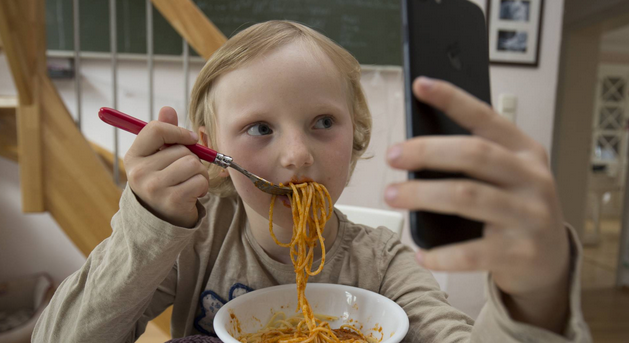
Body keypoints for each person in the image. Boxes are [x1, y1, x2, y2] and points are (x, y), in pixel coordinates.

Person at [32, 20, 591, 342]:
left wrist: (535, 295)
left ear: (357, 138)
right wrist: (149, 226)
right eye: (258, 127)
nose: (297, 156)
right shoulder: (191, 243)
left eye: (323, 123)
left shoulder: (384, 264)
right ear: (211, 147)